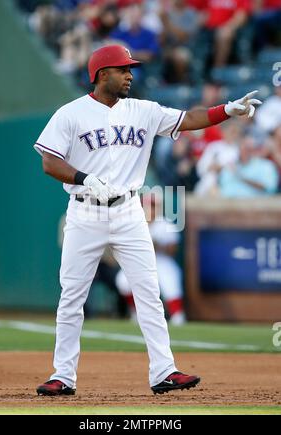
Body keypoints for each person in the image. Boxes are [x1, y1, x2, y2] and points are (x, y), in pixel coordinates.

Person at [34, 44, 261, 396]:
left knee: (149, 293)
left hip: (128, 210)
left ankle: (164, 371)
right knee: (72, 296)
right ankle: (63, 375)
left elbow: (188, 120)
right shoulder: (71, 114)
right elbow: (49, 161)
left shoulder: (143, 110)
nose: (130, 75)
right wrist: (83, 178)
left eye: (131, 69)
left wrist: (226, 110)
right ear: (101, 74)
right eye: (123, 69)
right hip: (85, 209)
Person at [115, 193, 186, 325]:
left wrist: (156, 245)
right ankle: (135, 312)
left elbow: (173, 250)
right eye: (145, 206)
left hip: (161, 260)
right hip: (139, 261)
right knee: (122, 281)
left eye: (152, 206)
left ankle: (177, 315)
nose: (149, 209)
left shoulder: (165, 224)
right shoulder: (134, 223)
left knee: (170, 282)